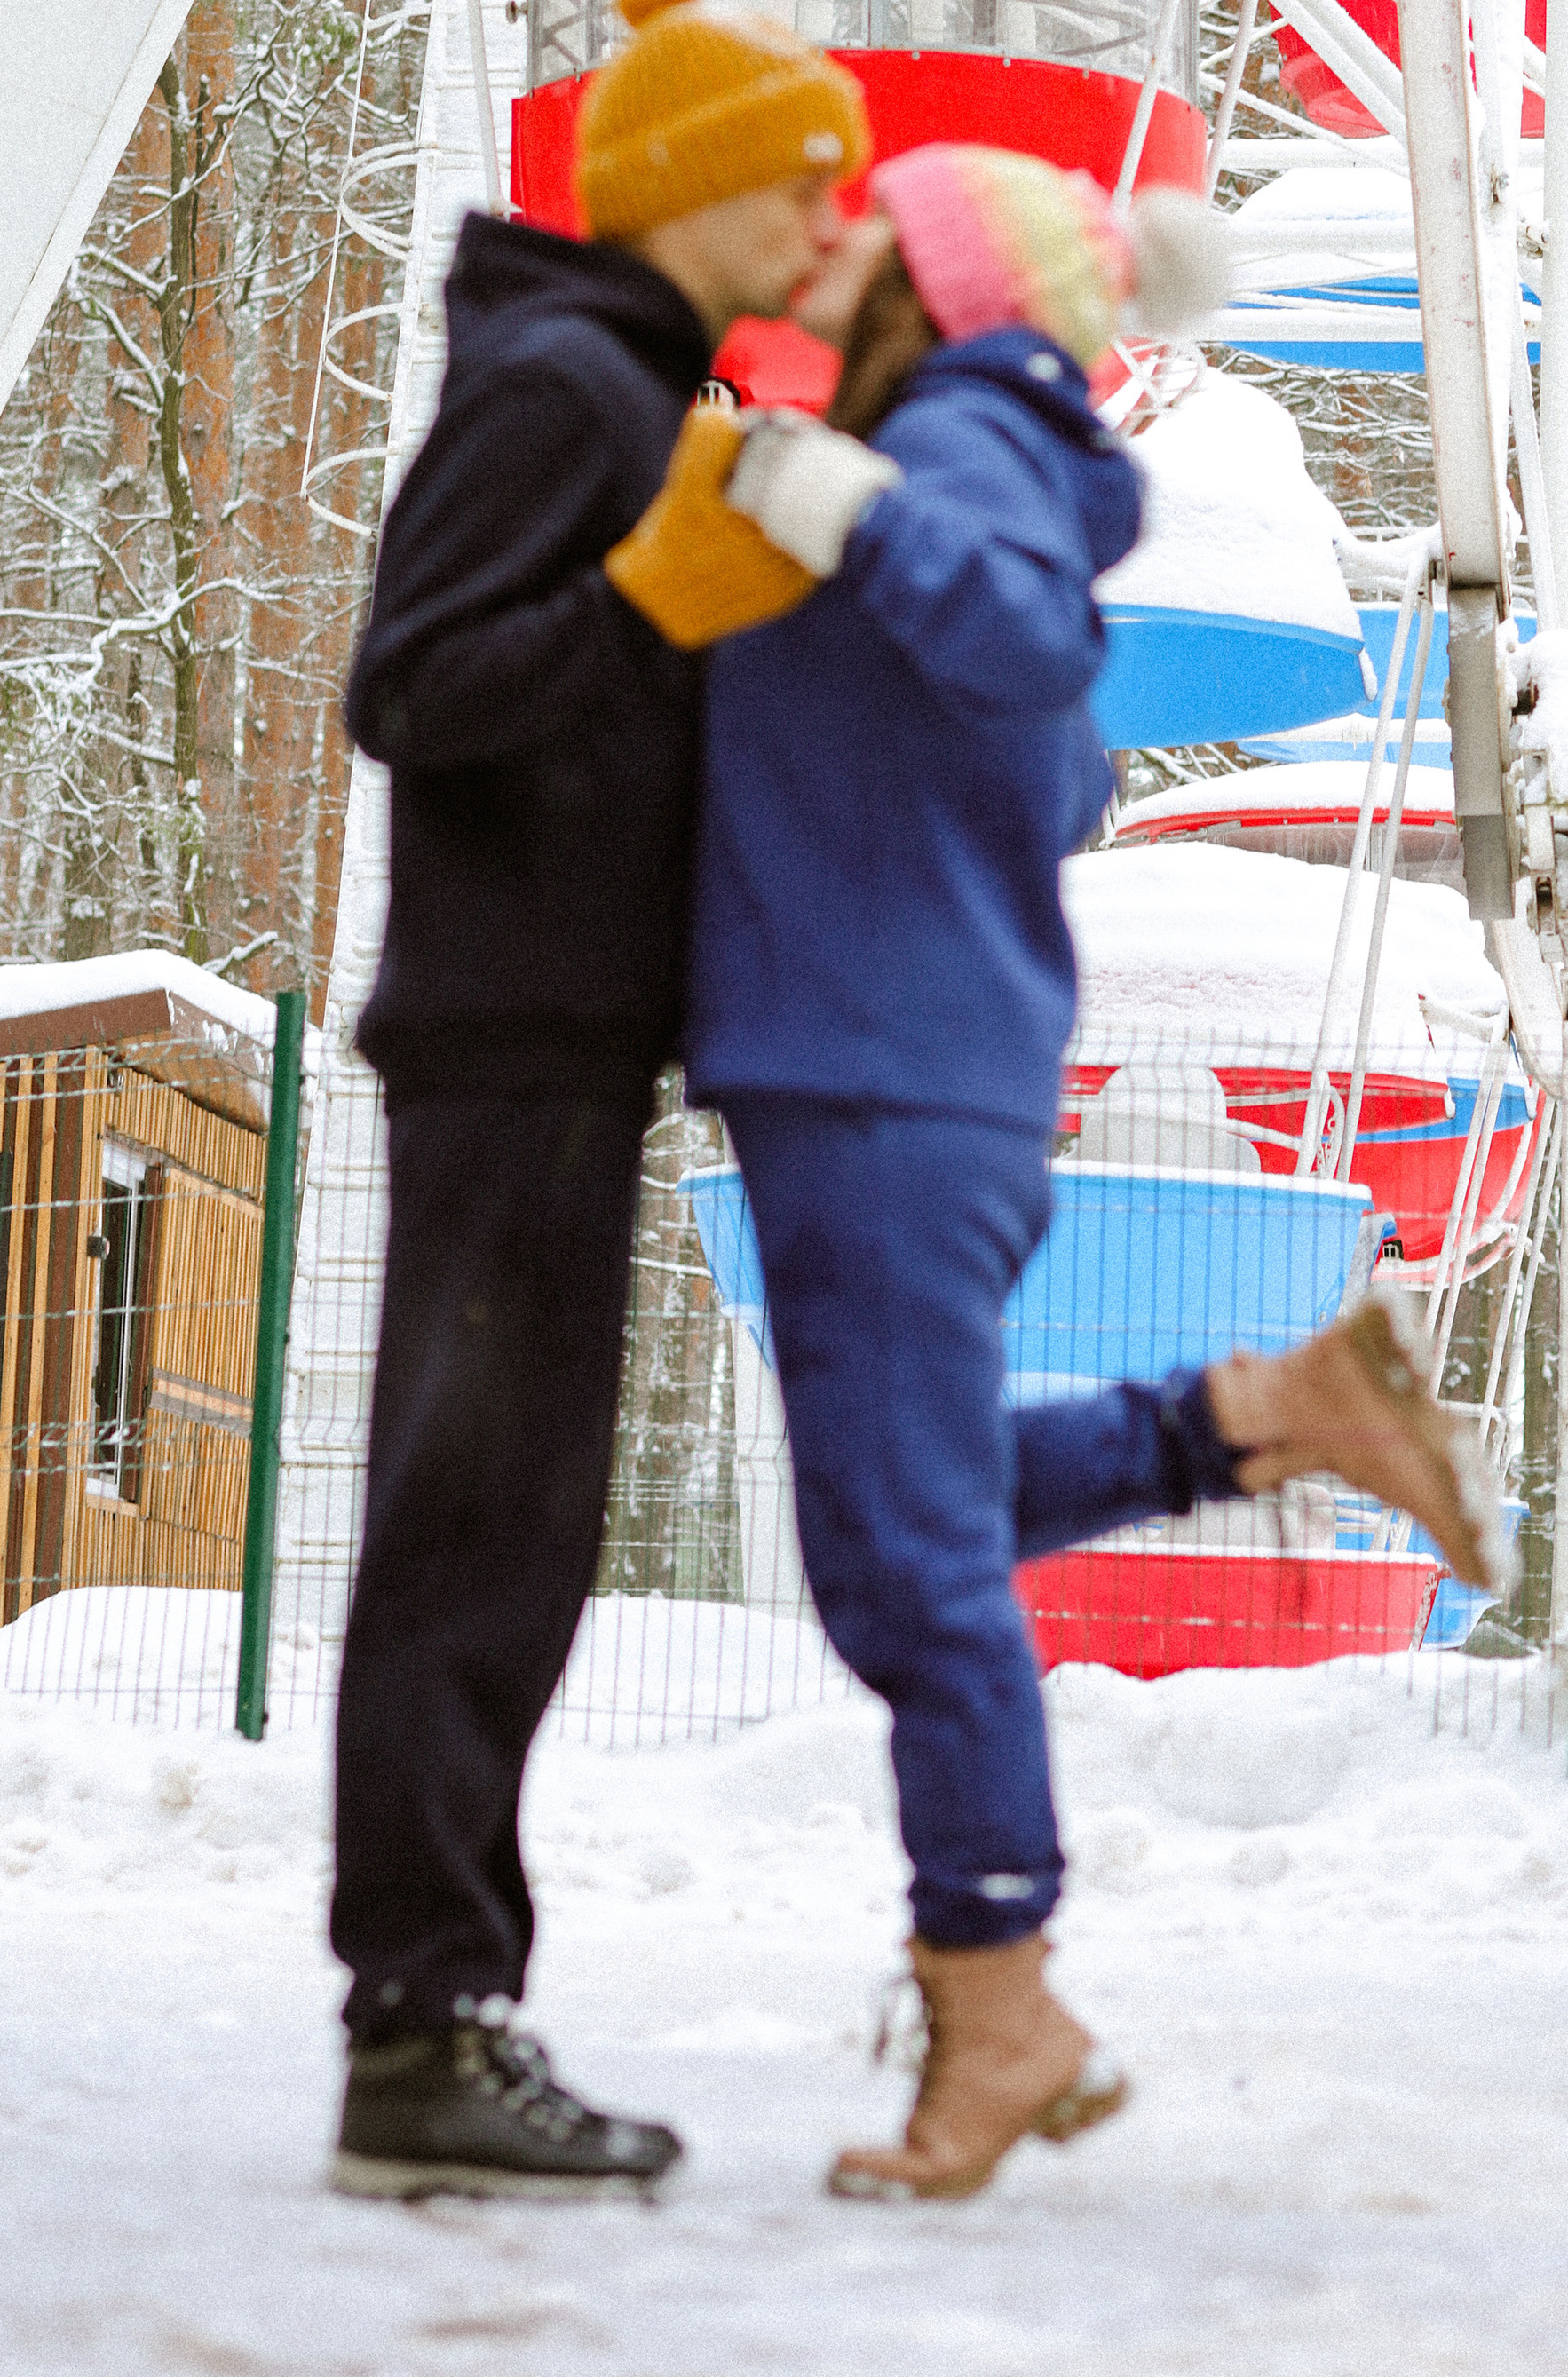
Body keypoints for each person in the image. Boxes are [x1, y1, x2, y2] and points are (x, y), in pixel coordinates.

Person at [647, 139, 1510, 2206]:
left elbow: (1022, 649)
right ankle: (1274, 1410)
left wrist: (807, 489)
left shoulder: (961, 437)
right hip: (891, 1061)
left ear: (939, 289)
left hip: (882, 1075)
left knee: (907, 1570)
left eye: (861, 237)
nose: (825, 248)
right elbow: (1035, 755)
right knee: (901, 1532)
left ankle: (998, 1992)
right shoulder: (981, 442)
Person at [328, 0, 873, 2203]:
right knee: (475, 1529)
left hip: (559, 1036)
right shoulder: (564, 383)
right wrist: (653, 595)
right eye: (797, 176)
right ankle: (420, 2033)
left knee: (512, 1528)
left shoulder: (627, 378)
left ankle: (441, 2014)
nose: (830, 207)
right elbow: (410, 689)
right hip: (504, 1039)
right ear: (689, 193)